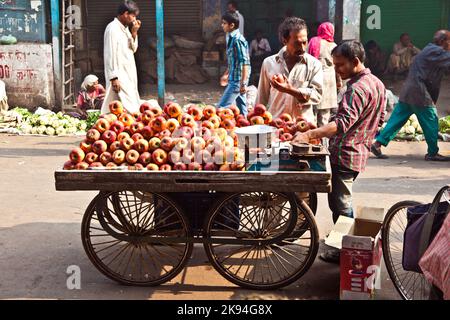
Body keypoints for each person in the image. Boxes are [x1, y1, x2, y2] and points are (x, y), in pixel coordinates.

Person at [292, 41, 386, 263]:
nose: (336, 70)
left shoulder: (357, 88)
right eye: (334, 65)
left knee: (342, 205)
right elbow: (379, 119)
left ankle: (344, 250)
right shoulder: (377, 84)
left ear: (355, 62)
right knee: (341, 202)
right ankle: (343, 241)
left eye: (340, 65)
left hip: (345, 155)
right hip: (358, 152)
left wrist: (309, 135)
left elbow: (342, 124)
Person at [371, 30, 450, 162]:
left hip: (408, 91)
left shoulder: (428, 49)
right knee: (431, 120)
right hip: (419, 92)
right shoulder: (437, 51)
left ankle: (378, 143)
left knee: (396, 120)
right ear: (442, 41)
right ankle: (432, 153)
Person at [256, 17, 323, 124]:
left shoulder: (314, 65)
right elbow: (261, 98)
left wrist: (290, 90)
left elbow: (317, 95)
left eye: (305, 42)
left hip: (302, 127)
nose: (302, 47)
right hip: (275, 125)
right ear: (284, 41)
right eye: (297, 43)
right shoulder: (269, 63)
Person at [101, 0, 141, 114]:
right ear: (125, 14)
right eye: (133, 16)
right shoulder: (112, 29)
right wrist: (114, 78)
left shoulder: (125, 29)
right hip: (118, 74)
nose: (134, 19)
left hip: (128, 72)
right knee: (128, 105)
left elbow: (133, 49)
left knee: (120, 105)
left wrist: (134, 33)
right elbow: (110, 54)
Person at [218, 11, 251, 116]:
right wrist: (226, 74)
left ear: (232, 25)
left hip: (237, 80)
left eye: (224, 23)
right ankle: (245, 126)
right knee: (242, 108)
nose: (222, 25)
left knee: (220, 108)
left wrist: (243, 84)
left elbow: (245, 63)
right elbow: (233, 61)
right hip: (234, 77)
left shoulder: (238, 40)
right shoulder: (230, 37)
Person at [308, 22, 340, 127]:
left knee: (311, 114)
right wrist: (339, 82)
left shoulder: (313, 42)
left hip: (315, 76)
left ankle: (311, 139)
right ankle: (323, 141)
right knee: (325, 116)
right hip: (330, 80)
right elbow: (337, 67)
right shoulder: (334, 46)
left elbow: (306, 59)